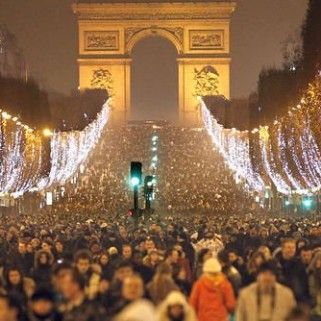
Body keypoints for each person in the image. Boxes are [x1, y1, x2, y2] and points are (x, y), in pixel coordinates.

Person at [276, 238, 310, 304]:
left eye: (293, 247)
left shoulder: (299, 264)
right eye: (288, 247)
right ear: (282, 249)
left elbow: (304, 284)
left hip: (296, 300)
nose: (291, 250)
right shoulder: (275, 264)